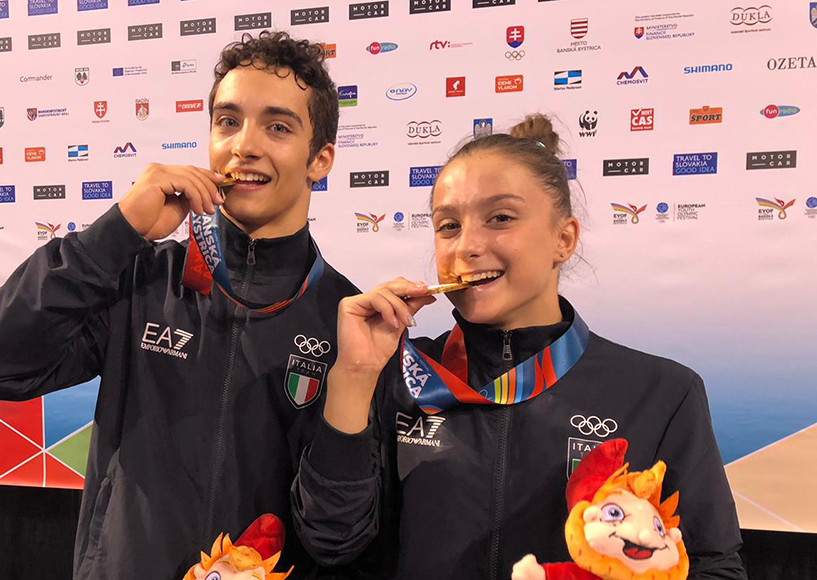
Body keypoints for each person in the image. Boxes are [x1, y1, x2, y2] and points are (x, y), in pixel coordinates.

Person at [0, 32, 357, 579]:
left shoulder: (349, 321)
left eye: (278, 127)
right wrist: (117, 232)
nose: (245, 145)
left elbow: (343, 532)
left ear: (321, 160)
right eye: (228, 121)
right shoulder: (142, 278)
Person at [291, 114, 747, 580]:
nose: (466, 245)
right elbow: (332, 542)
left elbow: (714, 568)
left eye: (500, 218)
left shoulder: (661, 393)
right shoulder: (396, 371)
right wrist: (353, 378)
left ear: (563, 239)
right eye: (448, 226)